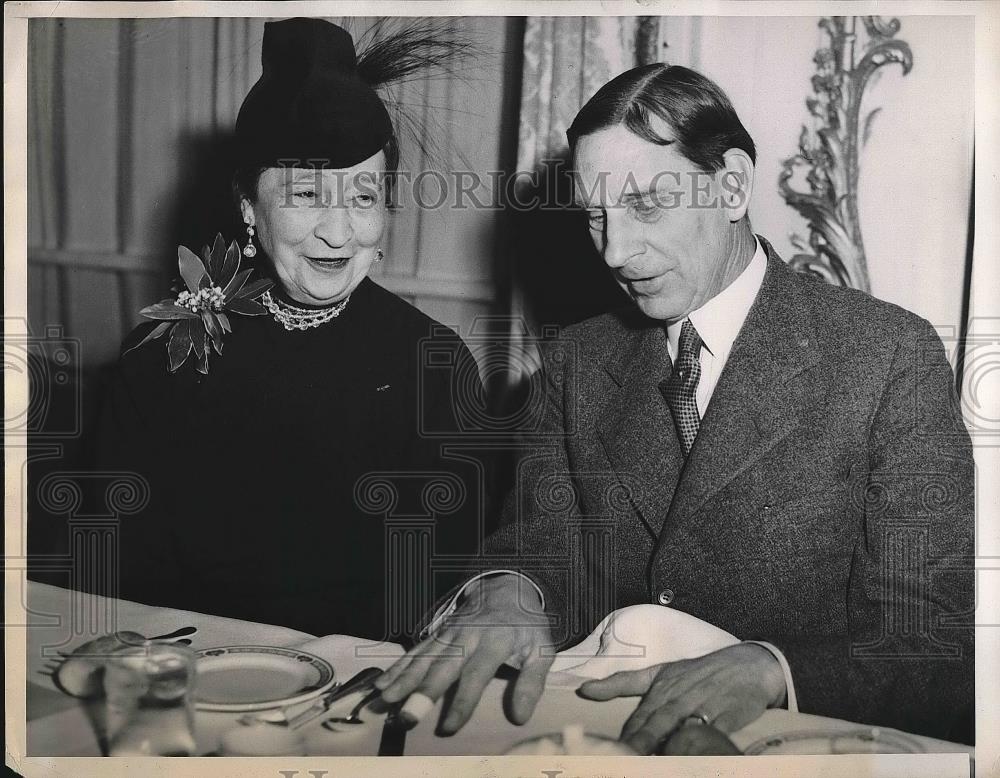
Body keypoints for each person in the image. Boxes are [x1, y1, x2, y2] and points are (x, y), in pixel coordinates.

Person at [375, 64, 975, 750]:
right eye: (596, 215)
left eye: (647, 205)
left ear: (732, 185)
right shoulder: (575, 359)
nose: (617, 252)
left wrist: (773, 668)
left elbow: (932, 635)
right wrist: (511, 589)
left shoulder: (888, 354)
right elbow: (544, 548)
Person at [94, 18, 482, 641]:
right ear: (248, 207)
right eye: (305, 195)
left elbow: (440, 593)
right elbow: (117, 568)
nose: (337, 231)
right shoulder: (161, 356)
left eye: (362, 197)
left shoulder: (433, 364)